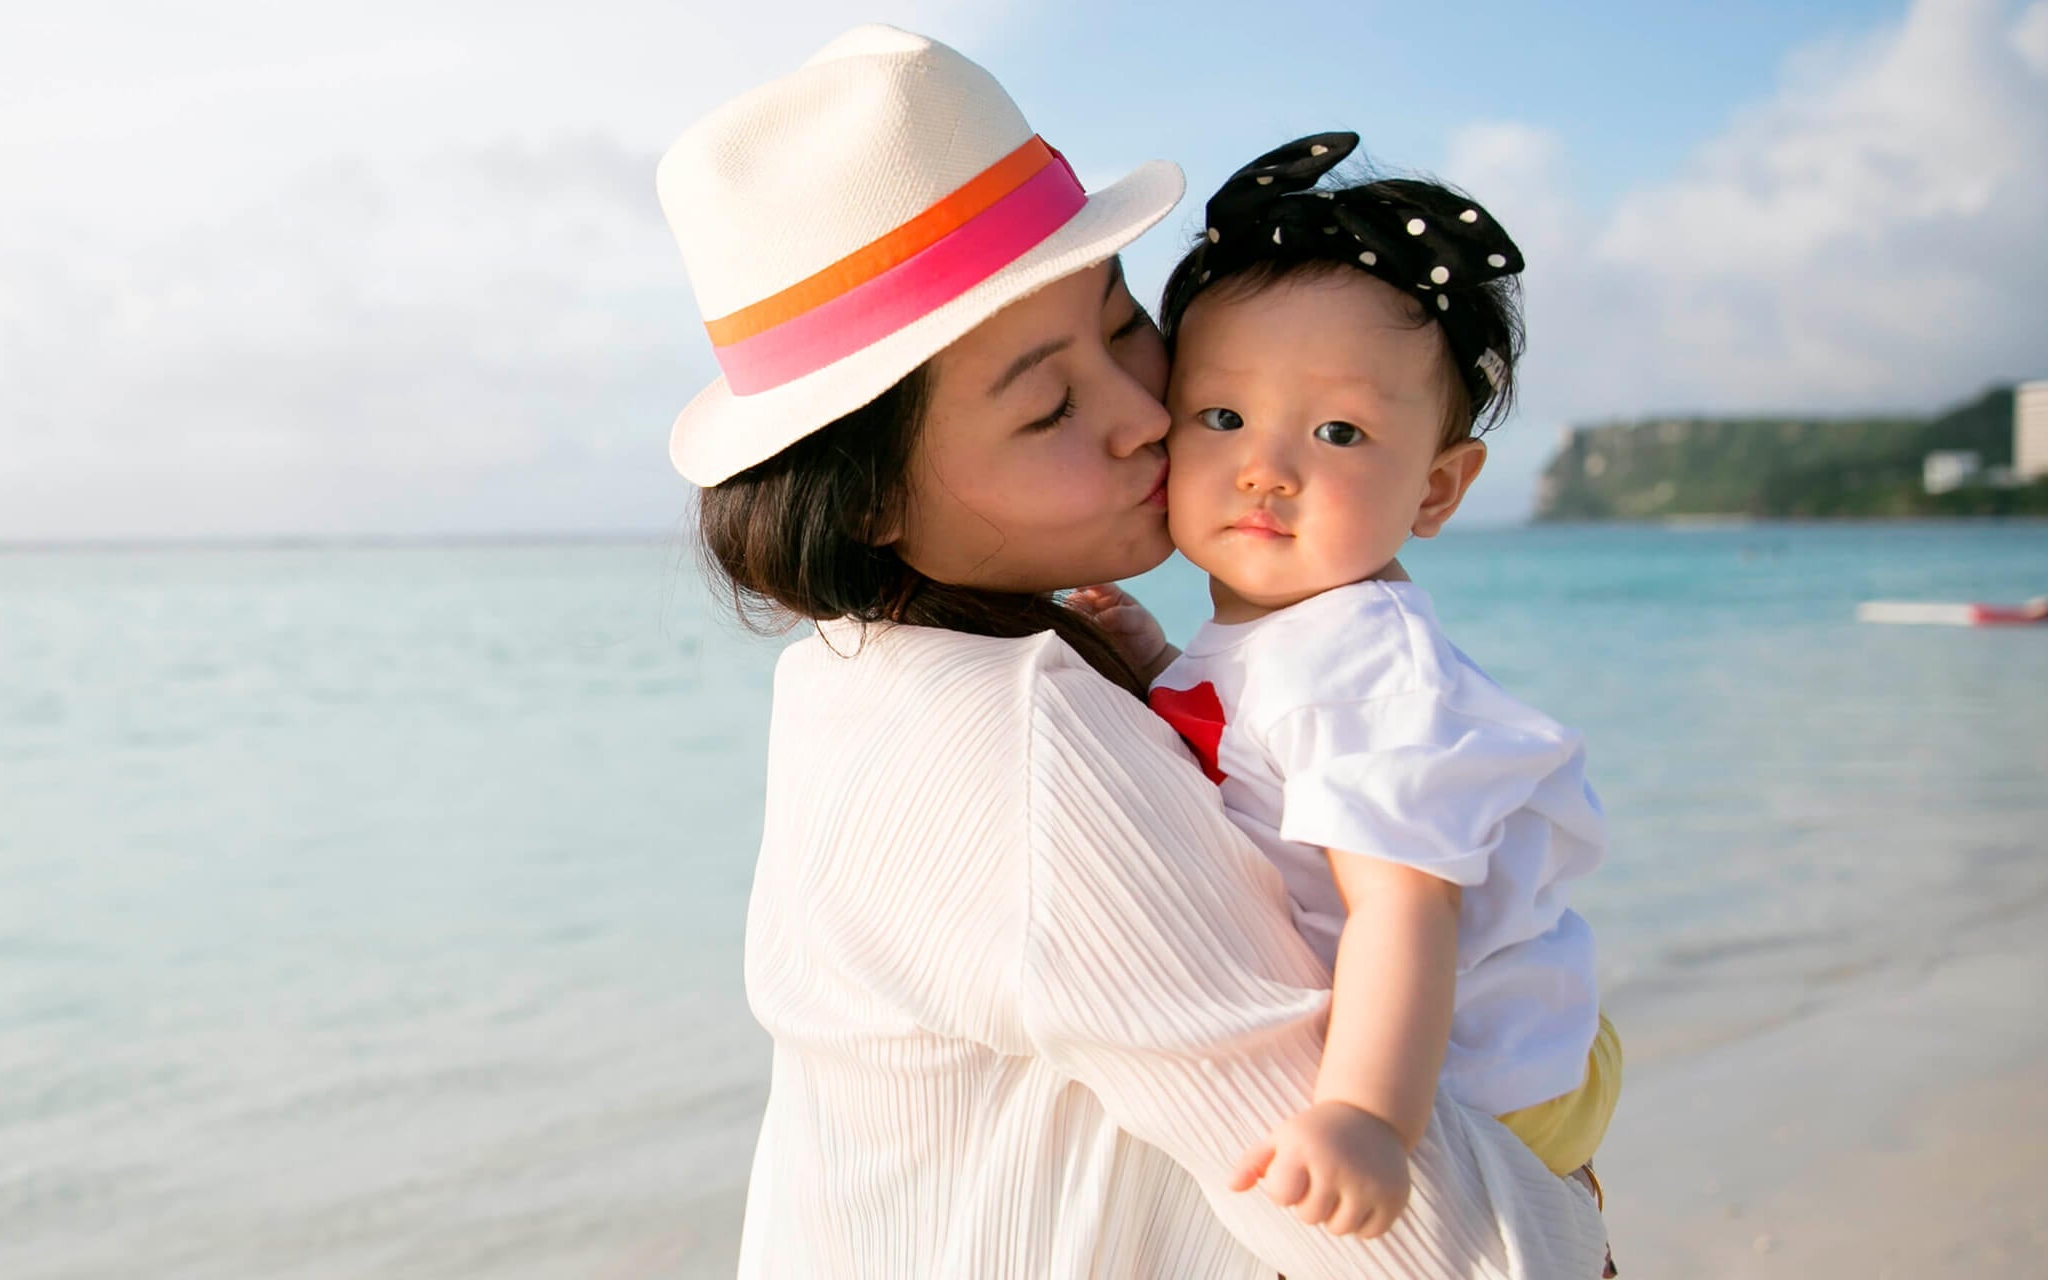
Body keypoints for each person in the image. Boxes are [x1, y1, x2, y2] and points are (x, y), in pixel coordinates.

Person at [657, 25, 1612, 1279]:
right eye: (1049, 405)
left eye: (1122, 327)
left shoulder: (854, 669)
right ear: (868, 498)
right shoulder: (1020, 751)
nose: (1146, 416)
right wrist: (1571, 1215)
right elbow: (1420, 1251)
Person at [1092, 133, 1621, 1251]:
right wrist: (1148, 661)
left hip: (1477, 1065)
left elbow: (1402, 906)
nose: (1265, 466)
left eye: (1338, 432)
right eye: (1222, 415)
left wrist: (1371, 1116)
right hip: (1476, 1024)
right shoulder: (1283, 635)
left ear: (1435, 485)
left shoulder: (1361, 665)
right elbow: (1247, 747)